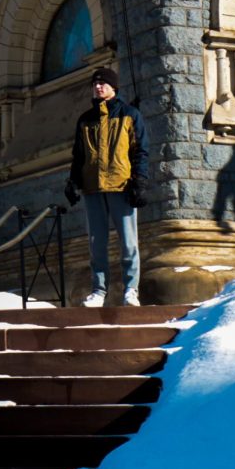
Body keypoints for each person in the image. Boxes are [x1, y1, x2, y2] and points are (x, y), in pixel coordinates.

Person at [65, 66, 149, 307]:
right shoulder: (85, 119)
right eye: (95, 84)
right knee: (96, 243)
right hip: (93, 188)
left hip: (121, 185)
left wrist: (140, 181)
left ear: (114, 87)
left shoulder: (130, 114)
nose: (98, 87)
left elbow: (141, 151)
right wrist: (73, 181)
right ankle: (98, 291)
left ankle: (130, 290)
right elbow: (78, 155)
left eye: (103, 83)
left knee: (128, 242)